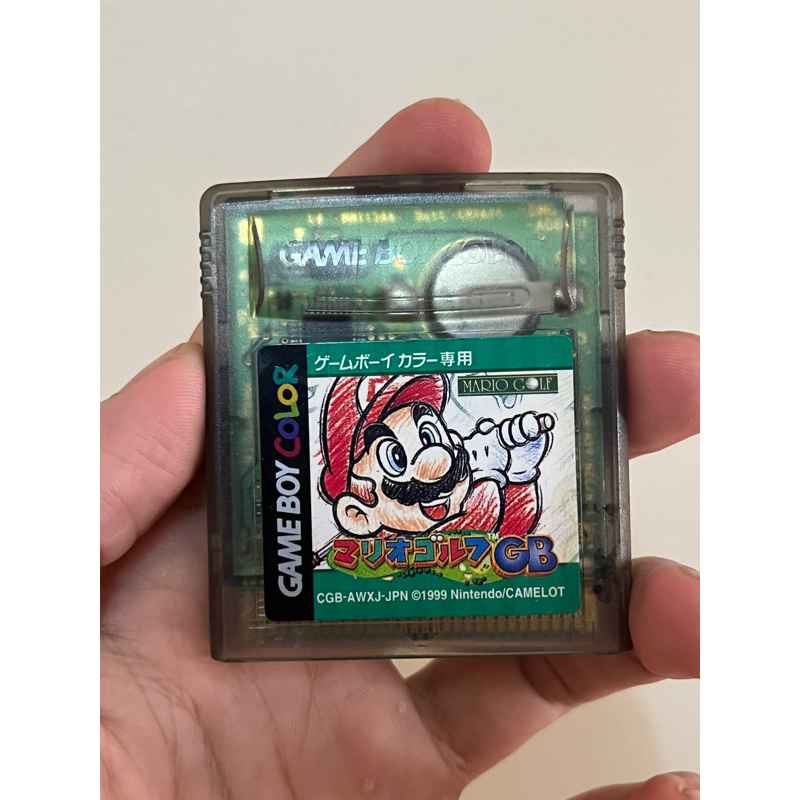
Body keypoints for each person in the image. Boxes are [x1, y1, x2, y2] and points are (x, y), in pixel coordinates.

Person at [100, 98, 700, 800]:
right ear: (353, 511)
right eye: (393, 456)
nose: (430, 456)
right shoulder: (326, 547)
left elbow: (510, 520)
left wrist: (518, 472)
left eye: (430, 431)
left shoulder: (491, 498)